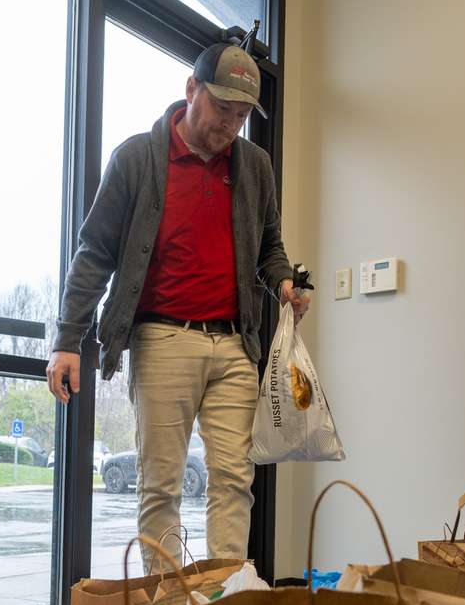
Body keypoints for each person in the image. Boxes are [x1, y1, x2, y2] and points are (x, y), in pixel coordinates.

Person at [47, 41, 309, 566]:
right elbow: (95, 252)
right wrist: (68, 339)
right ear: (191, 90)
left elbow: (270, 247)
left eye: (240, 116)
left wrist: (282, 282)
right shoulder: (137, 159)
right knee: (161, 485)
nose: (229, 125)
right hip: (162, 337)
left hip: (236, 343)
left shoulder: (255, 165)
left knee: (235, 480)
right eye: (221, 109)